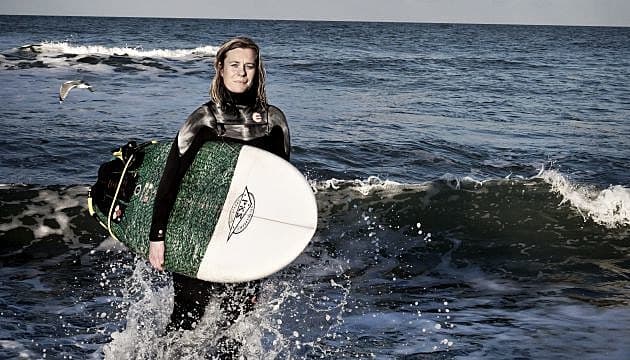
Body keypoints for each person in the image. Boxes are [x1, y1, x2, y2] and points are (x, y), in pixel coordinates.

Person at [146, 37, 290, 338]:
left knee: (236, 319)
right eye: (235, 65)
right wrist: (157, 236)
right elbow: (171, 178)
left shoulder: (274, 122)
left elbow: (279, 190)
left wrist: (266, 260)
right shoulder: (204, 119)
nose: (242, 73)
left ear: (258, 71)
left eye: (249, 66)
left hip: (242, 235)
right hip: (195, 228)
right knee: (187, 316)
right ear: (220, 68)